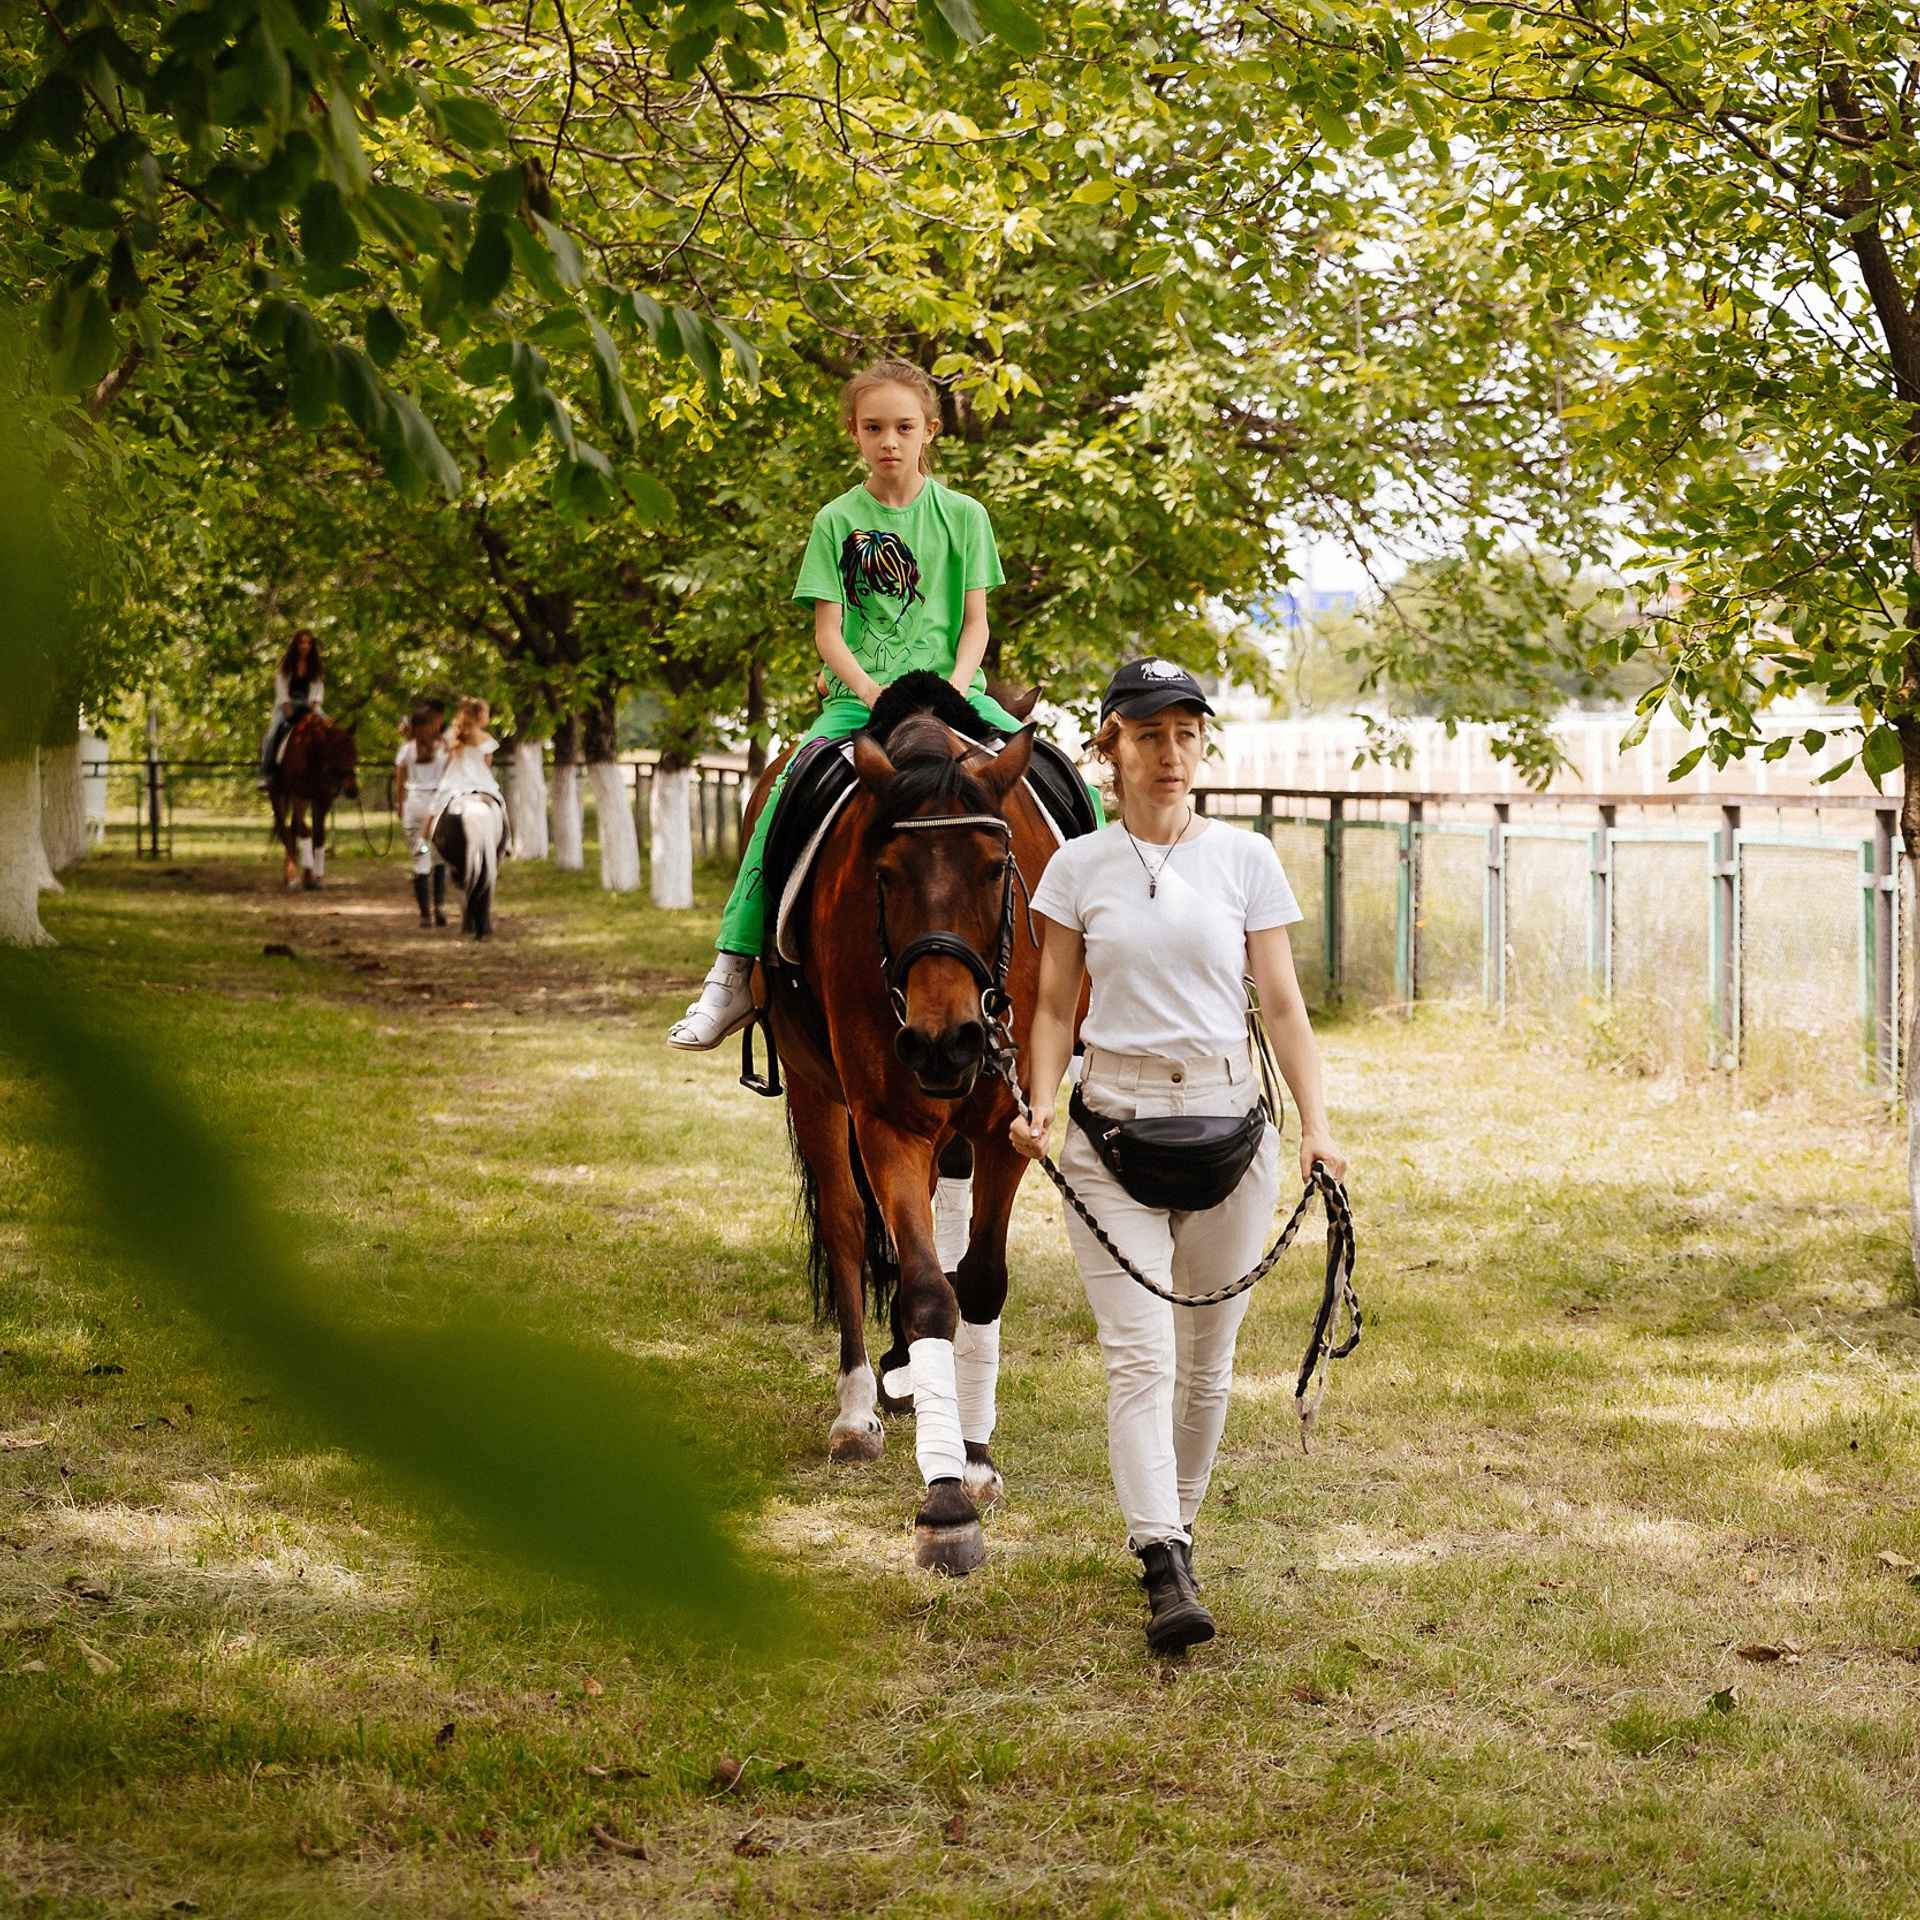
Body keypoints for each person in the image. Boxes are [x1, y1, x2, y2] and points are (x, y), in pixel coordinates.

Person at [1011, 658, 1349, 1656]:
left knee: (1207, 1367)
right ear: (1111, 746)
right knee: (1141, 1357)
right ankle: (1161, 1560)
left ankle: (1178, 1533)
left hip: (1232, 1127)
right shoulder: (1077, 867)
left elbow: (1282, 1005)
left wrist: (1318, 1127)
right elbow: (1053, 1006)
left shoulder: (1246, 859)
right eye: (1149, 735)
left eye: (1187, 735)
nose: (1170, 754)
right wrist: (1040, 1103)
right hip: (1110, 1129)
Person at [668, 359, 1025, 1050]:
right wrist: (870, 691)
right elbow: (828, 632)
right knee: (784, 791)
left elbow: (976, 623)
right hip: (862, 703)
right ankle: (733, 970)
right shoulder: (836, 521)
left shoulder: (965, 516)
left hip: (955, 695)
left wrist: (954, 689)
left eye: (904, 427)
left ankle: (1096, 966)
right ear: (854, 434)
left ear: (929, 432)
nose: (889, 441)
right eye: (873, 427)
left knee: (1063, 778)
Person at [393, 700, 449, 927]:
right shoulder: (444, 748)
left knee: (420, 855)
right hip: (438, 805)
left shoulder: (406, 750)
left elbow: (400, 782)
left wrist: (399, 805)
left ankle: (425, 915)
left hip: (415, 805)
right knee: (440, 857)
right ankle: (440, 907)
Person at [256, 629, 325, 789]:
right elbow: (282, 695)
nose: (305, 646)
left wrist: (311, 714)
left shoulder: (316, 668)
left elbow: (317, 693)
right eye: (302, 642)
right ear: (296, 644)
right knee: (272, 734)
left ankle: (331, 777)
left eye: (308, 643)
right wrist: (291, 715)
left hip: (309, 708)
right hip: (287, 708)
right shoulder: (284, 667)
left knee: (331, 730)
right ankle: (266, 773)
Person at [429, 697, 503, 824]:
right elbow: (487, 765)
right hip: (481, 779)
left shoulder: (454, 734)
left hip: (456, 777)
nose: (488, 716)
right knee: (501, 807)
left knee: (434, 808)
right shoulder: (486, 738)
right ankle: (507, 835)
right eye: (487, 713)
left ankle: (424, 836)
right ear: (480, 715)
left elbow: (448, 758)